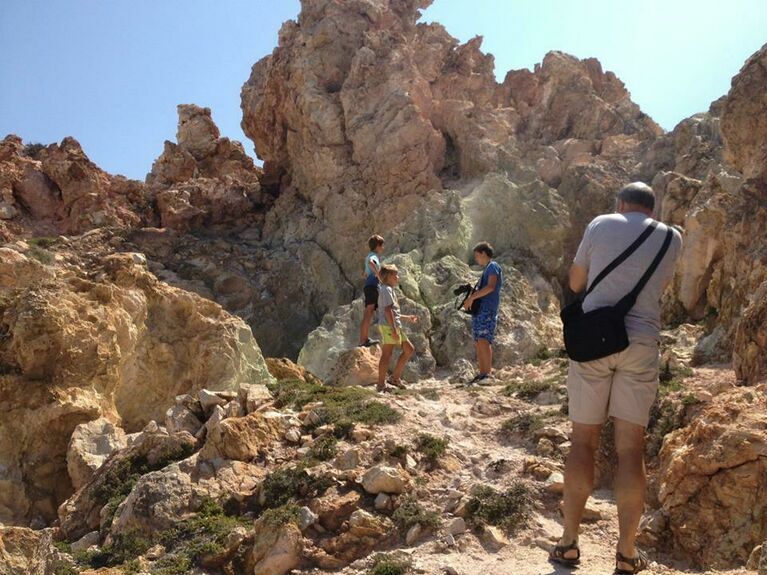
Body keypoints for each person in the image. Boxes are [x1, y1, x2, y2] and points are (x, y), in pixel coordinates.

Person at [550, 182, 682, 575]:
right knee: (631, 449)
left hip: (594, 341)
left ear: (621, 204)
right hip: (641, 341)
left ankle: (569, 543)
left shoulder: (601, 223)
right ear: (651, 209)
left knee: (582, 441)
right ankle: (626, 552)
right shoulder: (672, 239)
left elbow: (576, 284)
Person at [462, 242, 503, 385]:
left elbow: (491, 287)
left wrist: (472, 297)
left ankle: (487, 374)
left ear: (484, 253)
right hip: (481, 311)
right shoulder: (487, 269)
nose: (476, 259)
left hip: (488, 309)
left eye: (477, 256)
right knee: (479, 341)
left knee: (484, 340)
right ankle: (482, 374)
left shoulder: (493, 266)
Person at [377, 264, 418, 392]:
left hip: (394, 325)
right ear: (388, 277)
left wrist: (407, 318)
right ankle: (380, 384)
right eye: (395, 275)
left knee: (409, 349)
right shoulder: (386, 290)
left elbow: (394, 312)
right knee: (387, 354)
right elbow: (388, 311)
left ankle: (395, 378)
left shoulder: (389, 289)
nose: (398, 277)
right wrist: (394, 329)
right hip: (389, 326)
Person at [359, 235, 385, 347]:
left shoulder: (370, 255)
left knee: (368, 313)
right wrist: (379, 275)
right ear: (378, 246)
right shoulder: (373, 256)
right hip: (373, 285)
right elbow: (371, 262)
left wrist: (370, 274)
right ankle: (363, 340)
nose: (383, 248)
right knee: (369, 312)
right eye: (382, 246)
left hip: (369, 286)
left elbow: (365, 274)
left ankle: (364, 339)